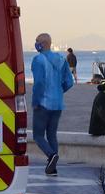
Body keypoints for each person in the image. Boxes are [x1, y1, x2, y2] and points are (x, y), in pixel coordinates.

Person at [31, 33, 74, 176]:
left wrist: (35, 101)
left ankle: (51, 155)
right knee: (52, 135)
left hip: (43, 103)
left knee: (37, 135)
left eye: (36, 41)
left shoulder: (38, 60)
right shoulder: (62, 59)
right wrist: (59, 92)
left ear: (42, 44)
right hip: (57, 104)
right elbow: (69, 82)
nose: (35, 43)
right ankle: (52, 168)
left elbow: (39, 83)